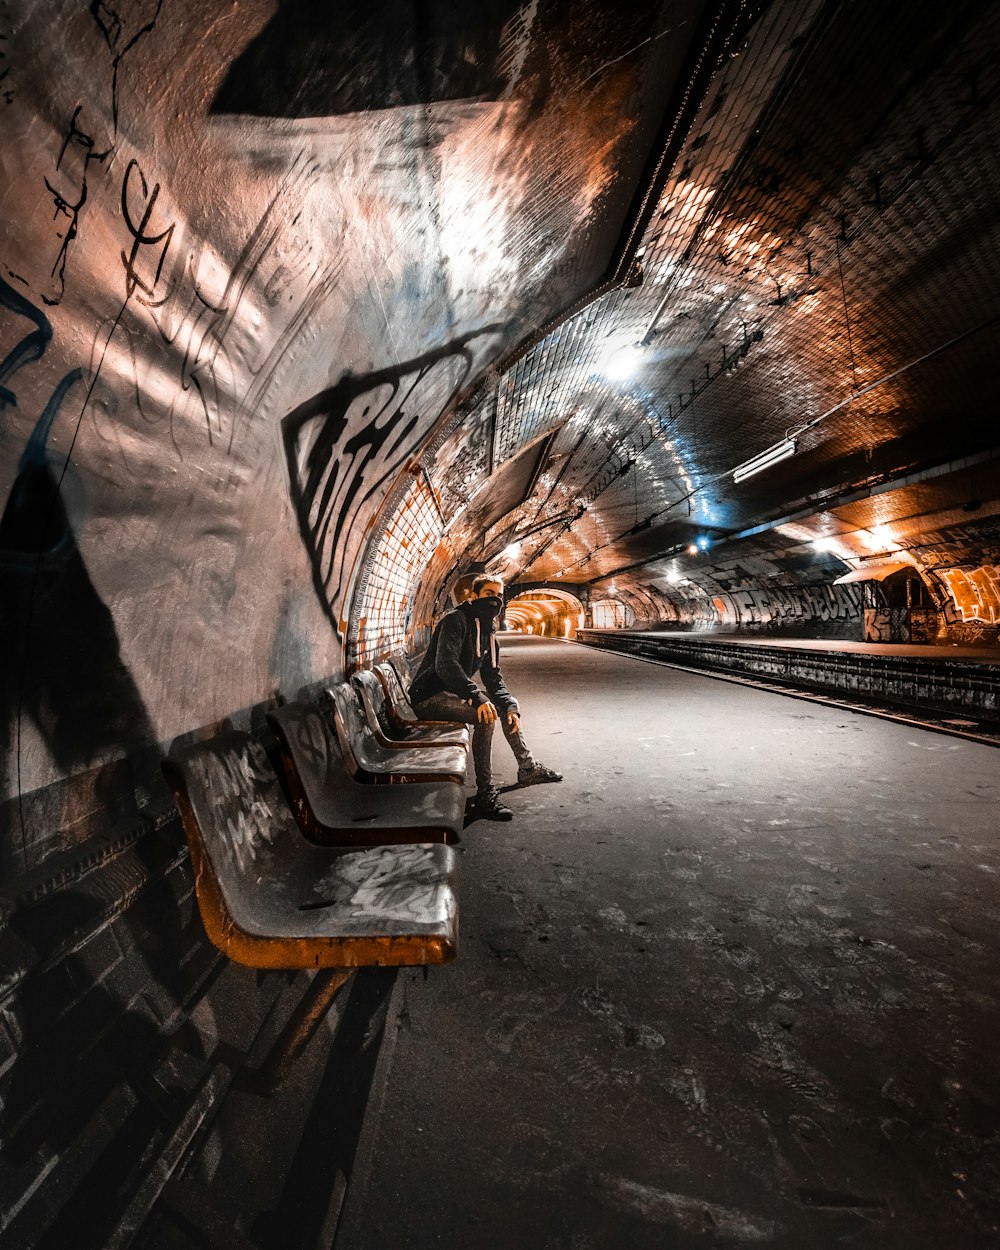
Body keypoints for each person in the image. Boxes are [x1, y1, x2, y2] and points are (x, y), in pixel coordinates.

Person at [408, 575, 562, 820]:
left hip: (452, 693)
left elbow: (493, 678)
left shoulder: (489, 634)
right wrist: (476, 697)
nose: (495, 599)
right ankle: (485, 794)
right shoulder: (455, 620)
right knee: (485, 716)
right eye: (489, 593)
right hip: (428, 697)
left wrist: (508, 704)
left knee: (508, 706)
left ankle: (527, 767)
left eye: (499, 595)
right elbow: (445, 665)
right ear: (474, 596)